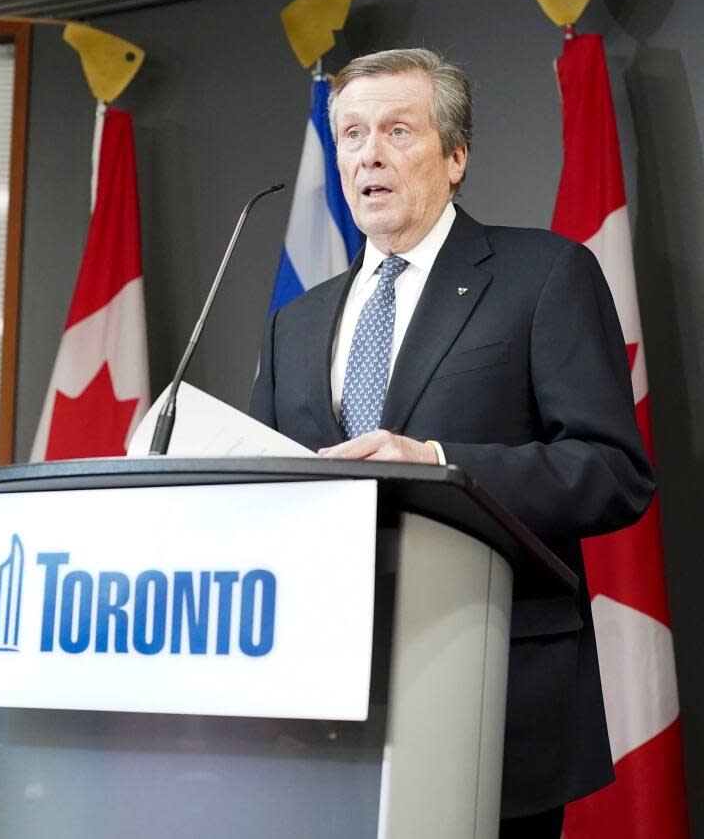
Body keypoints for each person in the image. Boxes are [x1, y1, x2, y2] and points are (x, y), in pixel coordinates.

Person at [248, 48, 655, 838]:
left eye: (397, 130)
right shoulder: (296, 322)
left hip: (489, 687)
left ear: (456, 155)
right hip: (325, 703)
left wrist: (438, 465)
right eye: (351, 134)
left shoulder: (544, 275)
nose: (367, 154)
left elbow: (614, 471)